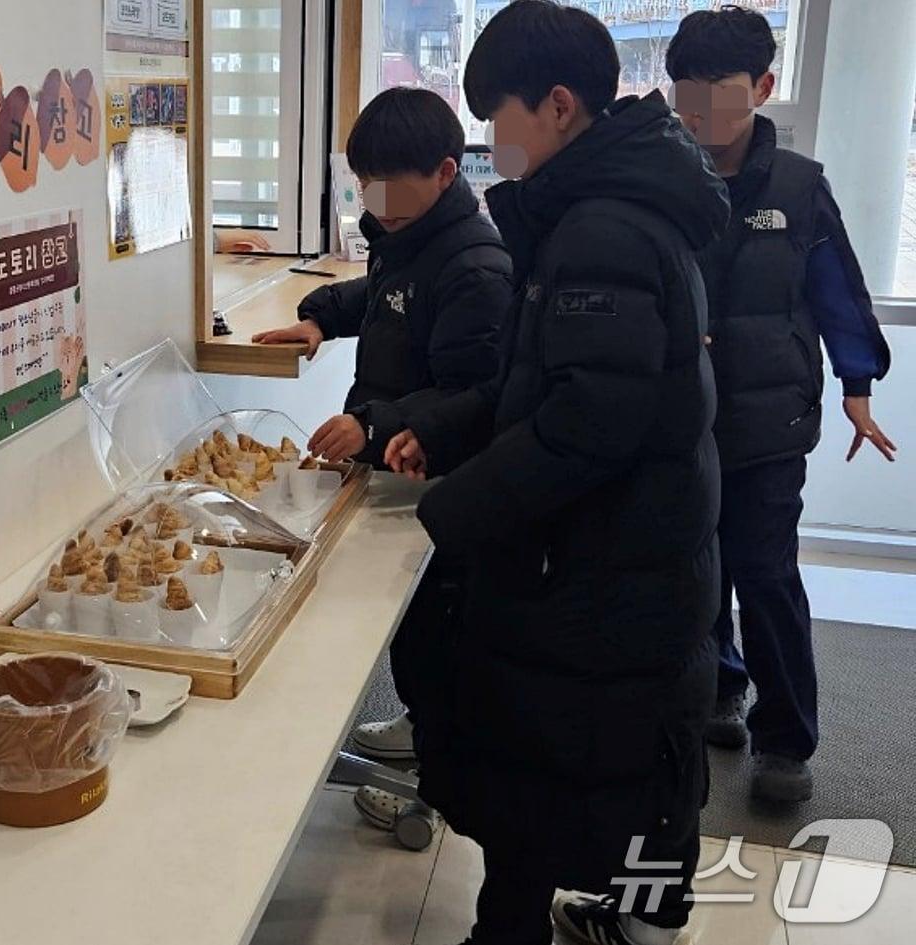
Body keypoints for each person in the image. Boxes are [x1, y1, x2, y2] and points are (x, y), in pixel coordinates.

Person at [382, 2, 728, 943]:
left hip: (610, 565)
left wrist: (450, 511)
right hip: (624, 556)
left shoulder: (603, 228)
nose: (495, 142)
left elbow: (585, 428)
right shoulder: (606, 206)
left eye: (499, 117)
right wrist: (441, 431)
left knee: (615, 768)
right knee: (579, 769)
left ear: (560, 106)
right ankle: (562, 923)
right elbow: (534, 384)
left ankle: (633, 925)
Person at [254, 86, 513, 830]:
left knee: (441, 642)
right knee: (415, 634)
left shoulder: (475, 265)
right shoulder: (413, 234)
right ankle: (423, 731)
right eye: (368, 186)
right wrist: (318, 319)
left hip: (441, 480)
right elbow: (386, 296)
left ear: (444, 171)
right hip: (402, 466)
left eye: (394, 189)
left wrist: (372, 425)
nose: (378, 205)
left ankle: (438, 790)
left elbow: (474, 395)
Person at [665, 5, 895, 806]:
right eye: (686, 98)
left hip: (768, 428)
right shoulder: (664, 181)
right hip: (680, 426)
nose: (702, 117)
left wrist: (858, 385)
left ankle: (786, 738)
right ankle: (722, 690)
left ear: (762, 88)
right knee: (698, 573)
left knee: (765, 578)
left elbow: (839, 291)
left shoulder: (800, 187)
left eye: (720, 96)